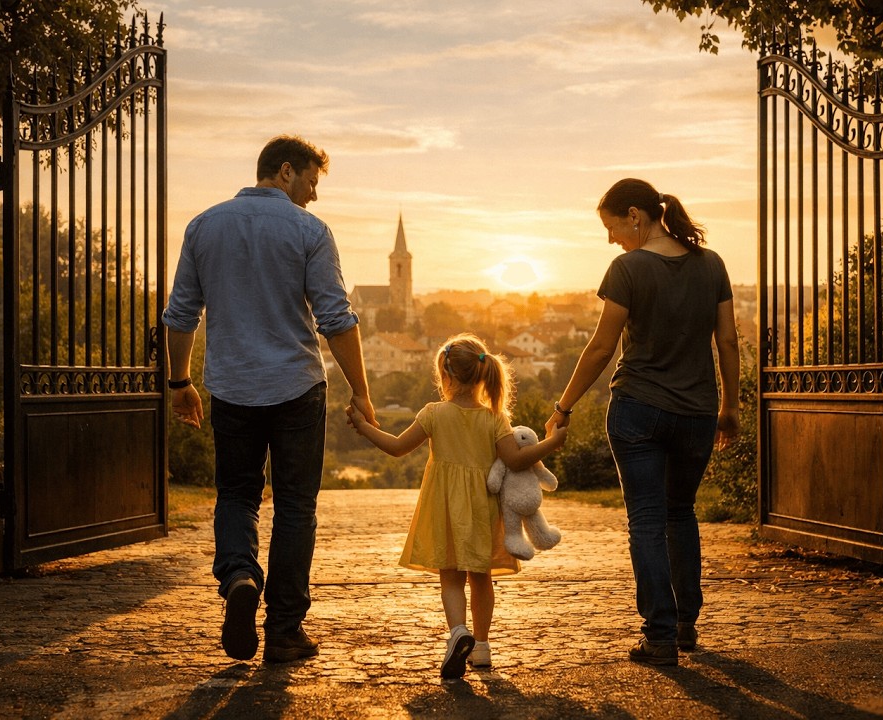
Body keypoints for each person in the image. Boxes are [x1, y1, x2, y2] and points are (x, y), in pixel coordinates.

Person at [161, 134, 376, 665]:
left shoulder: (203, 226)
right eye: (311, 181)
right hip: (297, 389)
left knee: (236, 495)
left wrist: (180, 382)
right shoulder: (310, 231)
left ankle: (238, 576)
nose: (314, 195)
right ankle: (283, 630)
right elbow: (336, 319)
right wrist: (361, 391)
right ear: (284, 172)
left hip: (232, 387)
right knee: (296, 508)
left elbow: (180, 312)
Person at [544, 178, 740, 667]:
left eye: (611, 227)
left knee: (648, 520)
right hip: (697, 412)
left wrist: (563, 407)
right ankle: (687, 625)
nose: (611, 239)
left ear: (635, 216)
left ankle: (660, 637)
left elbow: (601, 348)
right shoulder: (711, 264)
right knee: (681, 513)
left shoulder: (628, 269)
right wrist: (730, 407)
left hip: (639, 410)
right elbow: (729, 342)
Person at [345, 333, 567, 679]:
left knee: (451, 578)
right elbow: (517, 459)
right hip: (483, 509)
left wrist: (362, 426)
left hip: (445, 508)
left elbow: (397, 447)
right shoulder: (495, 417)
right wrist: (552, 443)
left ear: (445, 375)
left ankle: (457, 633)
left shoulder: (434, 413)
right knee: (481, 578)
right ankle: (481, 647)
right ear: (483, 376)